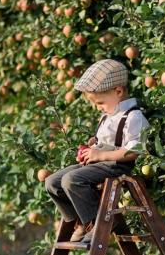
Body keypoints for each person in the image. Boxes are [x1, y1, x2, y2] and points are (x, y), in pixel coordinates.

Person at [44, 59, 150, 243]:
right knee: (52, 182)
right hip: (99, 163)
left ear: (118, 91)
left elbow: (135, 151)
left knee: (72, 180)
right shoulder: (108, 115)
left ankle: (98, 223)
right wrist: (93, 146)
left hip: (117, 165)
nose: (98, 107)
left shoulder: (133, 116)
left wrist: (101, 154)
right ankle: (79, 221)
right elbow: (105, 140)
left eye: (100, 102)